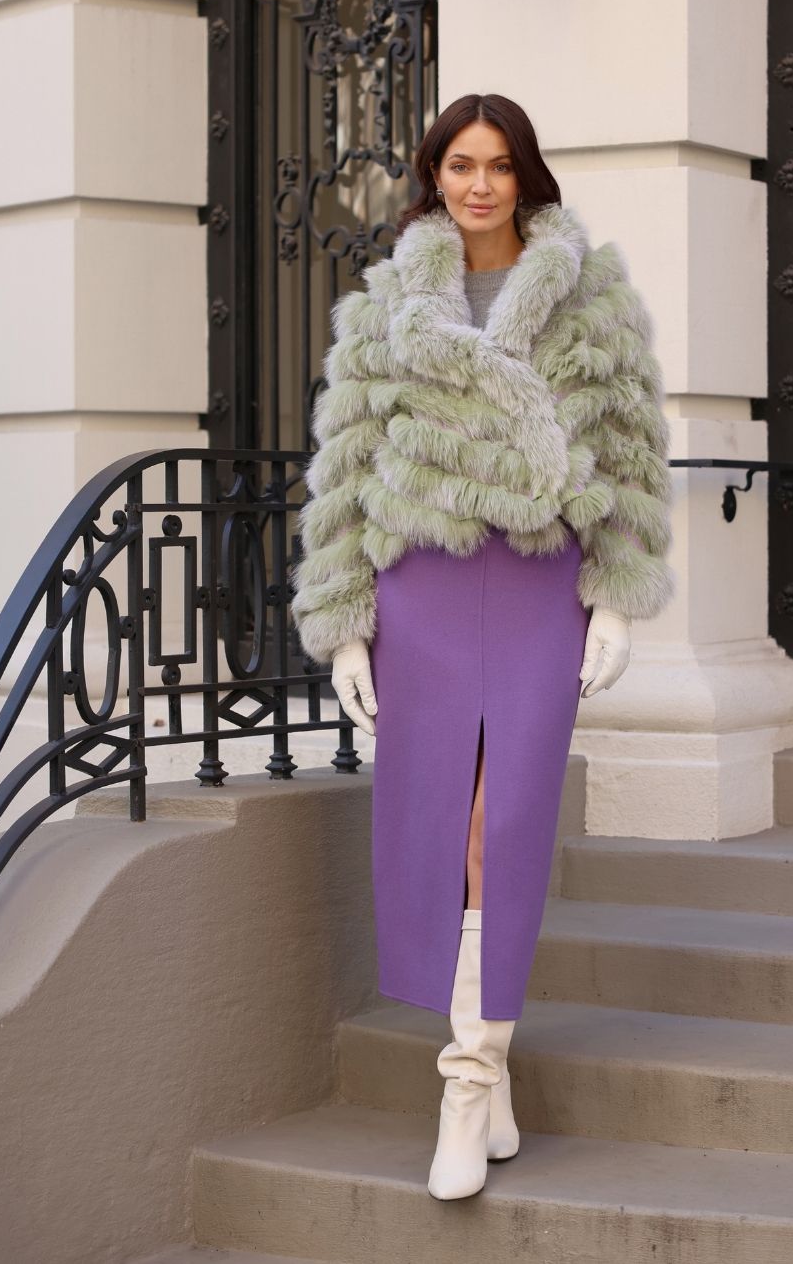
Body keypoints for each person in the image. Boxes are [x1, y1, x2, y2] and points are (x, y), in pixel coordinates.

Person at [291, 93, 675, 1201]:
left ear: (527, 178)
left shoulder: (590, 298)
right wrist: (345, 622)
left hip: (539, 579)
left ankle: (465, 1081)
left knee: (497, 829)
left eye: (500, 166)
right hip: (422, 585)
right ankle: (484, 1070)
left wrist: (613, 598)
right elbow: (348, 472)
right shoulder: (386, 312)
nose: (479, 185)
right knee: (432, 827)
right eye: (461, 164)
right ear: (433, 174)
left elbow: (632, 451)